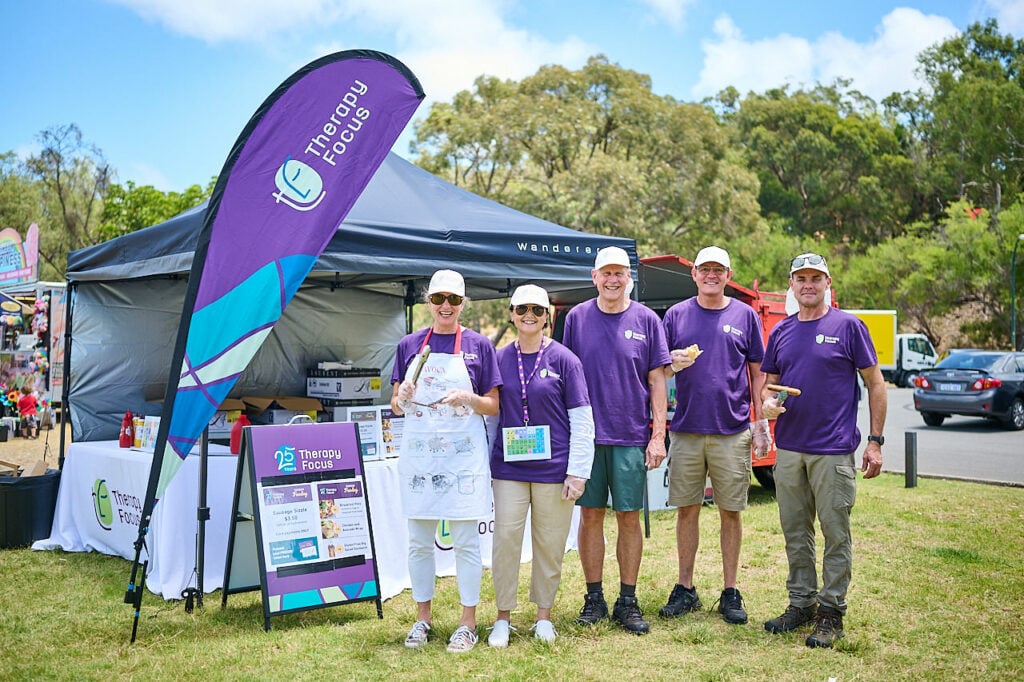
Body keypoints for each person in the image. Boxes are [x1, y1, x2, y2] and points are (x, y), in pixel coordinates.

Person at [760, 252, 886, 648]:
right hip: (790, 450)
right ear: (792, 284)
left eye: (816, 277)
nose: (808, 284)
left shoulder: (849, 327)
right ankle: (801, 603)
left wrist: (875, 441)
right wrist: (766, 406)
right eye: (801, 278)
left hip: (832, 450)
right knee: (795, 533)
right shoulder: (781, 331)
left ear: (827, 283)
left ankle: (831, 611)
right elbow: (767, 387)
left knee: (835, 533)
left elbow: (876, 384)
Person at [390, 269, 502, 654]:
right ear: (428, 302)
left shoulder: (479, 346)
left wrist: (468, 399)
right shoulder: (408, 345)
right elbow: (396, 405)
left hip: (462, 460)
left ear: (463, 303)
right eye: (439, 299)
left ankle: (467, 623)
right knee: (419, 542)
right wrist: (403, 395)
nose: (446, 307)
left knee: (467, 543)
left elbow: (493, 404)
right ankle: (422, 618)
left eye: (454, 300)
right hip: (420, 459)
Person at [561, 246, 671, 635]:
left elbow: (658, 380)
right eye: (605, 273)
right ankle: (594, 598)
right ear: (594, 278)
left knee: (628, 517)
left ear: (630, 278)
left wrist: (658, 436)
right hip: (587, 438)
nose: (612, 280)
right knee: (590, 516)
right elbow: (566, 377)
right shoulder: (575, 318)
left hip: (630, 435)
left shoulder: (646, 320)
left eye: (619, 273)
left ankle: (628, 600)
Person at [659, 246, 769, 625]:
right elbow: (659, 372)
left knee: (731, 512)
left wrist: (760, 423)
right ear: (694, 274)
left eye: (717, 270)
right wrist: (672, 362)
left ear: (728, 274)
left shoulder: (745, 315)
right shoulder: (676, 315)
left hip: (732, 430)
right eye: (704, 269)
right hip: (687, 429)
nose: (710, 275)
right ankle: (685, 587)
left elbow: (758, 372)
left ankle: (730, 590)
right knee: (686, 510)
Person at [485, 285, 595, 647]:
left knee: (549, 544)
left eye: (536, 308)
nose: (528, 314)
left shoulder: (565, 359)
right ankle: (503, 617)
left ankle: (543, 616)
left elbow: (581, 419)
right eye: (521, 309)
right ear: (511, 313)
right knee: (505, 541)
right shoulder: (499, 358)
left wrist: (578, 471)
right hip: (509, 469)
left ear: (547, 314)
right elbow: (489, 417)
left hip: (554, 468)